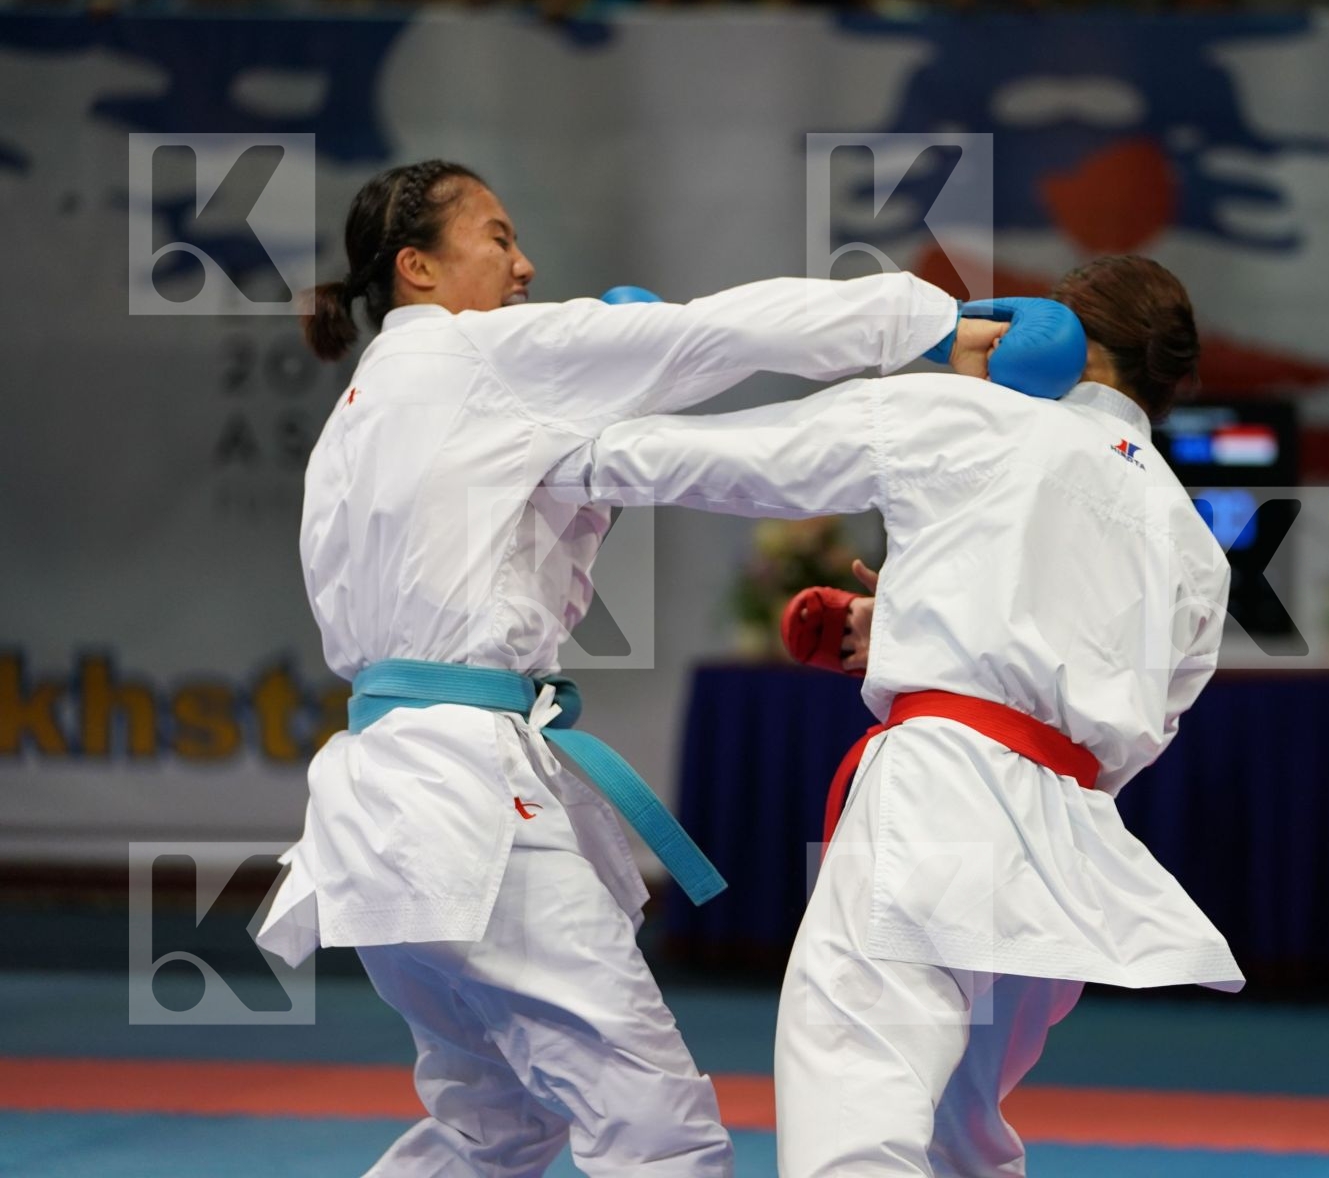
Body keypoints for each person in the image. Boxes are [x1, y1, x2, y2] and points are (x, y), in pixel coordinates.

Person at [253, 157, 1015, 1177]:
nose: (523, 265)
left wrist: (603, 422)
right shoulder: (486, 358)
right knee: (659, 1131)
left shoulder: (358, 419)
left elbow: (525, 525)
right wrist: (925, 323)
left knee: (497, 1130)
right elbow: (723, 331)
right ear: (419, 269)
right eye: (497, 237)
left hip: (377, 809)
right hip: (467, 809)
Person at [552, 254, 1245, 1177]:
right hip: (1071, 845)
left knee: (857, 1103)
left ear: (1059, 342)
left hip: (939, 802)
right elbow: (1139, 720)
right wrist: (924, 625)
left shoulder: (976, 415)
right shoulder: (1194, 540)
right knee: (962, 1139)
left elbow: (748, 460)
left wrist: (565, 439)